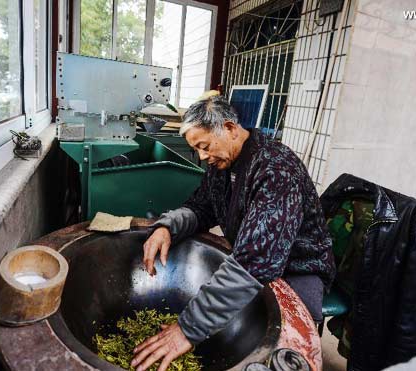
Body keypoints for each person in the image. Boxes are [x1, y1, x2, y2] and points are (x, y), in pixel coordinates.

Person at [130, 96, 335, 371]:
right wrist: (168, 226)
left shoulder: (275, 169)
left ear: (229, 128)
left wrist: (186, 329)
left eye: (204, 146)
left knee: (285, 351)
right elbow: (201, 207)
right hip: (257, 263)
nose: (202, 157)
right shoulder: (223, 164)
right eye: (196, 150)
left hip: (299, 269)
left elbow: (255, 262)